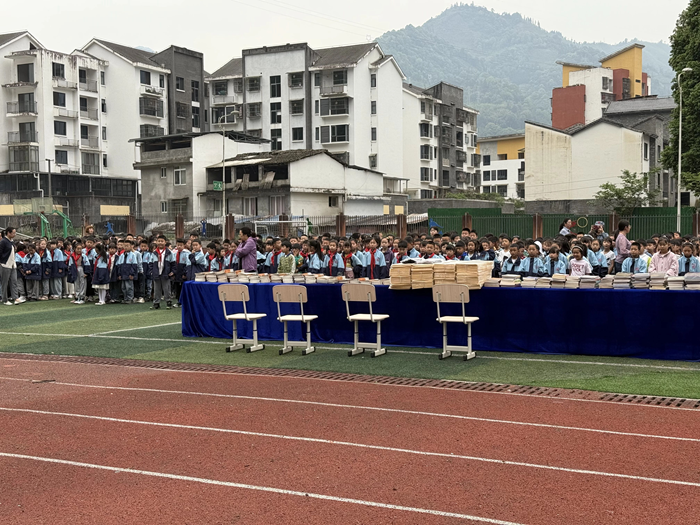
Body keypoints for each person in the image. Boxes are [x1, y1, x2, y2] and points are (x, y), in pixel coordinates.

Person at [151, 235, 176, 310]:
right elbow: (150, 263)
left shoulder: (169, 253)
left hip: (166, 273)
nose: (160, 243)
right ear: (156, 242)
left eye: (162, 241)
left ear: (165, 242)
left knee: (167, 289)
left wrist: (172, 271)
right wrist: (152, 271)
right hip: (156, 273)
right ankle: (156, 303)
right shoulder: (154, 253)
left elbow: (173, 263)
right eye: (159, 241)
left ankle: (168, 302)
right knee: (156, 289)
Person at [0, 227, 20, 305]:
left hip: (12, 264)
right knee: (5, 282)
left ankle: (16, 298)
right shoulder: (3, 241)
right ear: (8, 233)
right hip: (5, 264)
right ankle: (5, 299)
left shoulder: (11, 241)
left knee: (14, 281)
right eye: (13, 233)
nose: (14, 234)